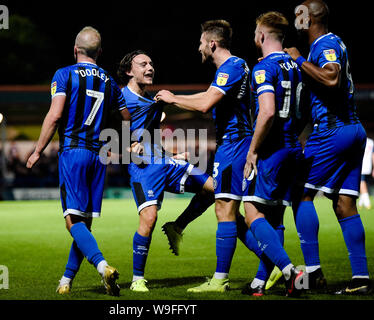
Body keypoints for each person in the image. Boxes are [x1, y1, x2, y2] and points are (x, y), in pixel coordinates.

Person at [155, 20, 273, 295]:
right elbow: (210, 99)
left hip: (234, 145)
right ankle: (270, 265)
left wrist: (172, 98)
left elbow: (206, 103)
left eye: (200, 42)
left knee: (225, 209)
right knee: (224, 202)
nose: (198, 47)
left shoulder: (231, 66)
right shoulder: (236, 67)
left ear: (212, 43)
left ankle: (225, 277)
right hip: (236, 144)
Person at [26, 26, 130, 296]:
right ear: (100, 52)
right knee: (85, 223)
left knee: (72, 222)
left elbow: (55, 115)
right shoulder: (109, 80)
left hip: (73, 152)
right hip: (99, 155)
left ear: (75, 50)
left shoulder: (64, 74)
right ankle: (66, 280)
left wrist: (38, 150)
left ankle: (103, 266)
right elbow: (126, 117)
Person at [285, 0, 371, 294]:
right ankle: (361, 279)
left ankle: (312, 275)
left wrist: (298, 59)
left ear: (311, 18)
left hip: (332, 131)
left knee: (300, 194)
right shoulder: (331, 44)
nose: (294, 17)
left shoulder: (324, 44)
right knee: (345, 203)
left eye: (299, 13)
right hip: (353, 130)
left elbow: (332, 77)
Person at [117, 50, 214, 292]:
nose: (150, 67)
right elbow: (106, 140)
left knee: (214, 189)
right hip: (143, 169)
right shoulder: (120, 99)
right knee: (149, 219)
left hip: (164, 162)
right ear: (129, 71)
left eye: (151, 63)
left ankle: (178, 226)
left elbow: (151, 141)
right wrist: (127, 149)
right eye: (143, 64)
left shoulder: (152, 100)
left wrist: (173, 156)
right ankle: (138, 279)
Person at [241, 11, 306, 297]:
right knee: (276, 217)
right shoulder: (296, 66)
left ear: (262, 36)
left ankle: (291, 272)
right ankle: (259, 283)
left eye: (256, 31)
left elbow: (267, 111)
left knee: (251, 212)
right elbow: (305, 112)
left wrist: (253, 150)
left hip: (273, 150)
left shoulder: (263, 67)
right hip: (293, 147)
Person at [359, 137, 374, 209]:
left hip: (361, 166)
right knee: (362, 183)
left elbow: (373, 155)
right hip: (367, 167)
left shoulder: (356, 140)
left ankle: (367, 202)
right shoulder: (371, 141)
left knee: (362, 183)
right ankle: (361, 202)